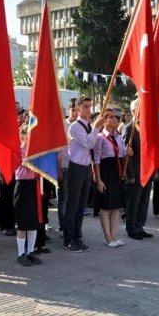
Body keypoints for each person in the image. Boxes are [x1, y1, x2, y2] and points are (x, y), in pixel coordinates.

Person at [63, 97, 104, 252]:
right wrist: (96, 128)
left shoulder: (88, 125)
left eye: (89, 106)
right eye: (85, 107)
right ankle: (68, 239)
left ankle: (77, 237)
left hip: (86, 168)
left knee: (81, 207)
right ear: (78, 109)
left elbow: (93, 148)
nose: (88, 109)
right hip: (76, 168)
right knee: (72, 205)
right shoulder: (74, 127)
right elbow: (89, 143)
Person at [93, 109, 128, 247]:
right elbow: (96, 160)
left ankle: (114, 236)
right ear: (105, 120)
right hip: (106, 172)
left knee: (116, 207)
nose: (115, 120)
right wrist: (99, 179)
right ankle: (107, 237)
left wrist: (127, 152)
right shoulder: (100, 138)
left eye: (116, 117)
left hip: (117, 171)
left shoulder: (119, 137)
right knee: (106, 207)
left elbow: (123, 154)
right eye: (111, 117)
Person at [124, 99, 155, 240]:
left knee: (144, 201)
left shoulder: (146, 128)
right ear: (133, 111)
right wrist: (130, 173)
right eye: (140, 109)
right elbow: (126, 154)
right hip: (135, 172)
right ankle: (131, 228)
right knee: (134, 202)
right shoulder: (128, 128)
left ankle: (140, 226)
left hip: (146, 171)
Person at [14, 125, 44, 266]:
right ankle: (21, 254)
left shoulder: (36, 152)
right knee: (23, 223)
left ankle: (30, 252)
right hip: (23, 186)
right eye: (28, 134)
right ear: (22, 136)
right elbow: (24, 164)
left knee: (33, 222)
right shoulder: (18, 151)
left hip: (34, 185)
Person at [58, 98, 76, 237]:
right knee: (63, 200)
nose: (75, 112)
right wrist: (58, 168)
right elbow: (57, 148)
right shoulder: (63, 125)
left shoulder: (81, 125)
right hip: (64, 166)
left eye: (77, 109)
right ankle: (63, 227)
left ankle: (72, 226)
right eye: (73, 109)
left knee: (73, 200)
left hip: (77, 167)